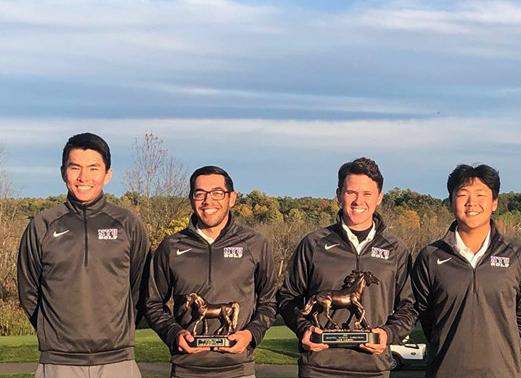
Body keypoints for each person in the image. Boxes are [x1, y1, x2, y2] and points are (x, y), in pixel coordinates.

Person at [17, 133, 149, 377]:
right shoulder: (42, 225)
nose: (83, 177)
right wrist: (53, 331)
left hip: (117, 360)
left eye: (93, 168)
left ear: (108, 174)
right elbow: (29, 291)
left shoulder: (127, 224)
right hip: (58, 361)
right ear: (62, 171)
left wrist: (116, 330)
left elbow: (140, 288)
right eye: (75, 167)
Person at [277, 157, 416, 377]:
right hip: (319, 367)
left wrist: (388, 334)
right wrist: (304, 328)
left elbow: (409, 306)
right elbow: (287, 297)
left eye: (367, 194)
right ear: (339, 194)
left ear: (379, 197)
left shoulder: (396, 249)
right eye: (351, 192)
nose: (358, 200)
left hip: (373, 368)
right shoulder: (314, 243)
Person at [145, 166, 278, 378]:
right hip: (185, 370)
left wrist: (251, 334)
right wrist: (173, 333)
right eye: (200, 194)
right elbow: (152, 303)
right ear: (191, 198)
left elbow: (269, 301)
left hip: (238, 369)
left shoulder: (255, 244)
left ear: (231, 198)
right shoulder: (171, 246)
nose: (208, 201)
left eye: (217, 193)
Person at [411, 164, 521, 378]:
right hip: (446, 370)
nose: (472, 203)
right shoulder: (431, 256)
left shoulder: (517, 255)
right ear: (451, 201)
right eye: (463, 195)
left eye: (481, 195)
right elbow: (427, 316)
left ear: (494, 202)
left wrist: (505, 349)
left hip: (503, 372)